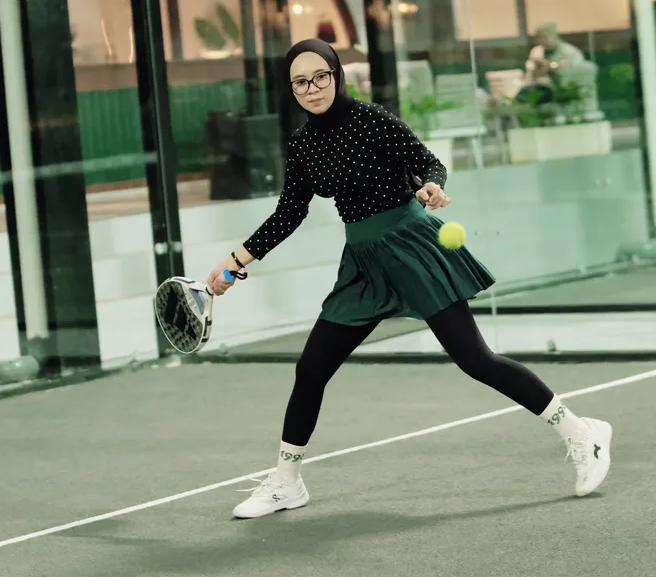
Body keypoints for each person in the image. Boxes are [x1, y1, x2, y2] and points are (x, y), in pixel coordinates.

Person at [207, 39, 612, 520]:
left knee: (475, 359)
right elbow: (289, 212)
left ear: (336, 74)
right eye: (300, 82)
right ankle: (286, 483)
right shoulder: (302, 144)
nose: (312, 88)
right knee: (311, 368)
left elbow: (427, 162)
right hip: (362, 262)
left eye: (320, 76)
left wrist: (433, 185)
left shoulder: (371, 119)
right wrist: (234, 262)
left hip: (412, 246)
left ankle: (582, 433)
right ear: (290, 88)